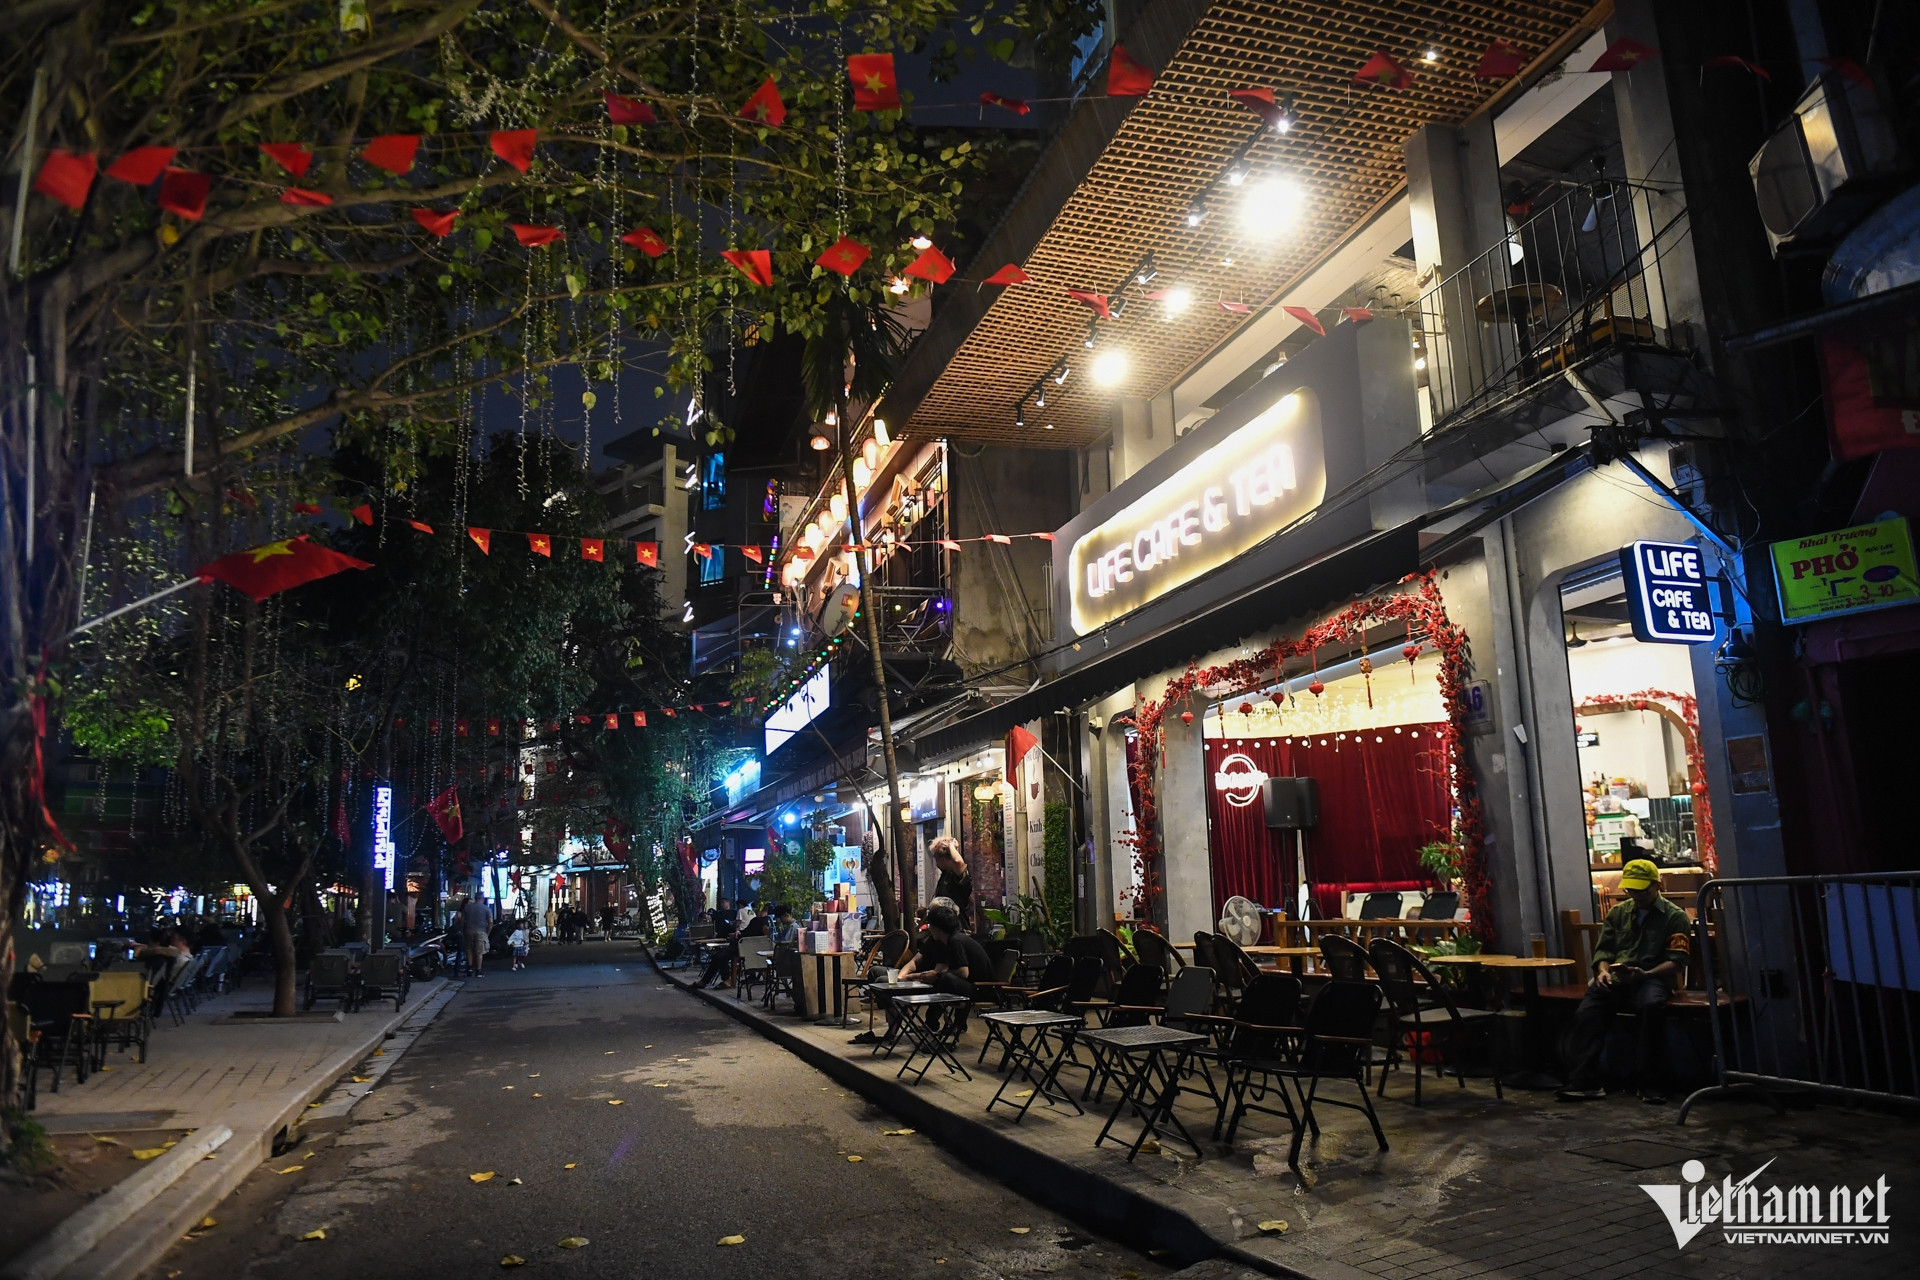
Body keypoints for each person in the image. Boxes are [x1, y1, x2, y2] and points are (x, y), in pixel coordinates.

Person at [1557, 860, 1693, 1105]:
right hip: (1619, 977)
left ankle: (1649, 1082)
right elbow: (1604, 952)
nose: (1637, 895)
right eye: (1632, 890)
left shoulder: (1675, 916)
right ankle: (1585, 1080)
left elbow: (1677, 961)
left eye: (1643, 890)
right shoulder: (1618, 912)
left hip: (1654, 978)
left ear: (1656, 885)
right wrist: (1602, 972)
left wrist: (1647, 974)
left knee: (1651, 1007)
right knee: (1588, 1009)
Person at [895, 903, 988, 1035]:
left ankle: (939, 1023)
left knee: (944, 980)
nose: (929, 929)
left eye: (930, 925)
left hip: (982, 989)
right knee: (942, 979)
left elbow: (963, 972)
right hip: (971, 986)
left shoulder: (956, 941)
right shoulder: (946, 941)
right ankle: (935, 1023)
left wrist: (936, 975)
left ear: (937, 928)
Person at [930, 837, 973, 933]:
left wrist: (951, 845)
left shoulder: (958, 875)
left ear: (944, 859)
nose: (936, 864)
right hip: (943, 929)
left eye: (937, 860)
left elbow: (958, 862)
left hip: (957, 929)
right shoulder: (945, 874)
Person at [462, 894, 492, 977]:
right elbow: (490, 922)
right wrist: (487, 932)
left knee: (469, 950)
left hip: (468, 931)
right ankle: (478, 971)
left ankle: (469, 969)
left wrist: (463, 929)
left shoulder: (467, 908)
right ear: (482, 899)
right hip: (481, 931)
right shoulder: (486, 908)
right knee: (479, 952)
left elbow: (462, 920)